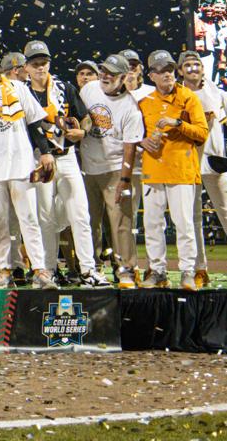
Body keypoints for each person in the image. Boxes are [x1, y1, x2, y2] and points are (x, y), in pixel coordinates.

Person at [0, 48, 57, 290]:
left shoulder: (16, 88)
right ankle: (4, 269)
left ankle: (40, 269)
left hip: (21, 162)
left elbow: (35, 121)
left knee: (29, 219)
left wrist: (45, 151)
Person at [24, 41, 108, 288]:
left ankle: (88, 270)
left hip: (67, 157)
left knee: (80, 213)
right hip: (39, 159)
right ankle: (48, 269)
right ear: (27, 67)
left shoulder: (63, 87)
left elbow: (85, 119)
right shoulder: (21, 91)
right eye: (36, 64)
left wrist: (82, 131)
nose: (41, 68)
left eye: (44, 63)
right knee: (45, 218)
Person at [178, 50, 227, 288]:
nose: (192, 68)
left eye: (196, 64)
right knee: (194, 219)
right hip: (188, 161)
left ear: (203, 68)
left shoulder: (217, 93)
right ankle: (201, 269)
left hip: (214, 161)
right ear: (180, 71)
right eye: (187, 65)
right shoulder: (176, 95)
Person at [137, 50, 207, 291]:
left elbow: (202, 132)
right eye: (160, 71)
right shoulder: (144, 103)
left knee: (184, 224)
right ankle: (157, 271)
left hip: (181, 170)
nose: (166, 74)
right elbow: (137, 136)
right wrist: (142, 142)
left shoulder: (189, 98)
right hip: (153, 170)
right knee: (153, 224)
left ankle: (187, 272)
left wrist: (178, 123)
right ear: (151, 76)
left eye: (169, 69)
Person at [78, 54, 145, 287]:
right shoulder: (88, 89)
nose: (105, 76)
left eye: (112, 73)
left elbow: (130, 147)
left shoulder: (131, 108)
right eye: (104, 71)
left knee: (121, 222)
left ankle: (126, 269)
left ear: (124, 78)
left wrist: (124, 180)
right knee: (90, 221)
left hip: (115, 168)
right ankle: (93, 269)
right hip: (87, 168)